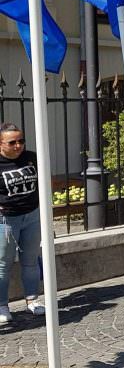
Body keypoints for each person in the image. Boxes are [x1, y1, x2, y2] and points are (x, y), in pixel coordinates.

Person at [0, 123, 44, 323]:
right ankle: (2, 305)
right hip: (7, 219)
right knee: (3, 264)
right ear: (1, 144)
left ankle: (32, 300)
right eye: (12, 142)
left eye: (21, 141)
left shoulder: (31, 157)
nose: (18, 146)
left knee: (31, 260)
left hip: (32, 215)